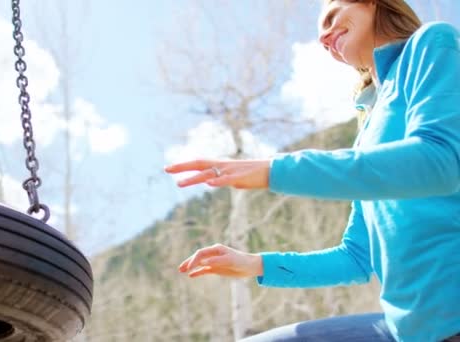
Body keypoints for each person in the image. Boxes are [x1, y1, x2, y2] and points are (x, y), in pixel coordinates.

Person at [165, 0, 460, 341]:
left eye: (332, 17)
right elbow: (356, 256)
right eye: (320, 34)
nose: (324, 37)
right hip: (404, 331)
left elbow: (439, 161)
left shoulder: (431, 44)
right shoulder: (369, 126)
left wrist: (275, 170)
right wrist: (256, 264)